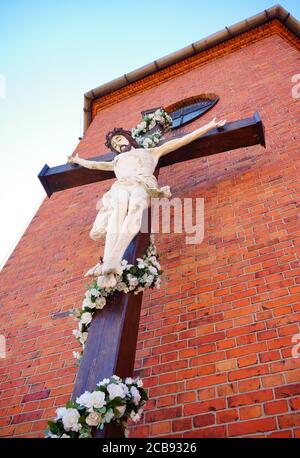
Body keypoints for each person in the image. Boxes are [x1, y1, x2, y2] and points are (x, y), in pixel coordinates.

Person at [67, 117, 226, 287]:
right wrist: (78, 161)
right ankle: (109, 260)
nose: (117, 143)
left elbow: (181, 141)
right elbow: (94, 165)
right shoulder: (116, 161)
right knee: (118, 211)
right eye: (114, 143)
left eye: (119, 138)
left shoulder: (151, 151)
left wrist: (208, 126)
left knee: (136, 207)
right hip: (122, 186)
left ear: (128, 138)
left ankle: (112, 260)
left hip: (143, 184)